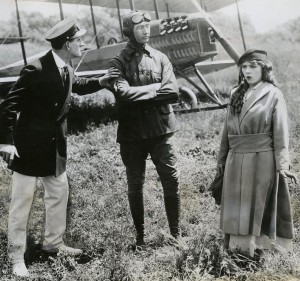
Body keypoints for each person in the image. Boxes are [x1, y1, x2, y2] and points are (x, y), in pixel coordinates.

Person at [0, 18, 119, 277]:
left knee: (59, 196)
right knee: (22, 203)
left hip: (55, 150)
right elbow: (8, 105)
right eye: (79, 40)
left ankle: (53, 244)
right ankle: (15, 256)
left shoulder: (64, 66)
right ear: (67, 43)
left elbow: (74, 85)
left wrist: (101, 82)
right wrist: (7, 142)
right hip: (29, 149)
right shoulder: (35, 69)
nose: (82, 43)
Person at [108, 10, 180, 247]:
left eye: (148, 26)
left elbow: (173, 92)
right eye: (139, 27)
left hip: (161, 130)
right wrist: (155, 89)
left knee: (171, 179)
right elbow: (122, 93)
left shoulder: (161, 57)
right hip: (132, 134)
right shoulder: (117, 62)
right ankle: (141, 238)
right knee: (135, 183)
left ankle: (175, 234)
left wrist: (140, 93)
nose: (145, 30)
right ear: (129, 31)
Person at [216, 49, 298, 257]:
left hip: (261, 159)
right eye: (244, 67)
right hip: (235, 160)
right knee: (238, 206)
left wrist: (282, 165)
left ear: (264, 69)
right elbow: (227, 132)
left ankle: (262, 252)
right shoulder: (236, 93)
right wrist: (222, 160)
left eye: (253, 66)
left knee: (259, 205)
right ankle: (238, 251)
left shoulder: (273, 94)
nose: (248, 71)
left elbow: (281, 133)